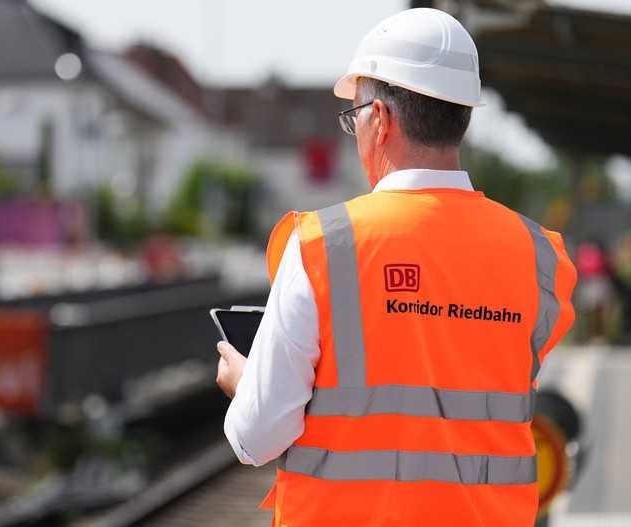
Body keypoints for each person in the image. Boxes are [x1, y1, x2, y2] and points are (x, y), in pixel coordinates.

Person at [215, 7, 577, 527]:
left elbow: (256, 436)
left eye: (353, 117)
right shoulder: (541, 258)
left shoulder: (323, 245)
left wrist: (245, 382)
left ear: (380, 120)